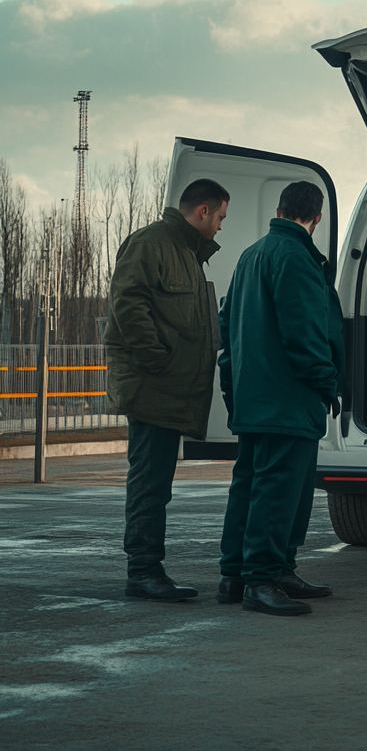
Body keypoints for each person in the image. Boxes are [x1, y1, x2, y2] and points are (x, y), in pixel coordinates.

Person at [216, 181, 343, 616]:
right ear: (317, 218)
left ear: (280, 208)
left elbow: (226, 324)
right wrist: (327, 383)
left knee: (250, 483)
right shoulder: (296, 258)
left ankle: (237, 575)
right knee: (280, 490)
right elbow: (306, 333)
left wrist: (233, 387)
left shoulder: (252, 256)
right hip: (288, 398)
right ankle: (264, 579)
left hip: (254, 396)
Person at [105, 178, 230, 600]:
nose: (220, 227)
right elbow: (127, 303)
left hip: (167, 387)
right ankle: (142, 571)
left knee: (156, 481)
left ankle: (146, 569)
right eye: (220, 217)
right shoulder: (152, 244)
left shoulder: (186, 254)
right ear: (203, 212)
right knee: (149, 482)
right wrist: (155, 358)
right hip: (152, 385)